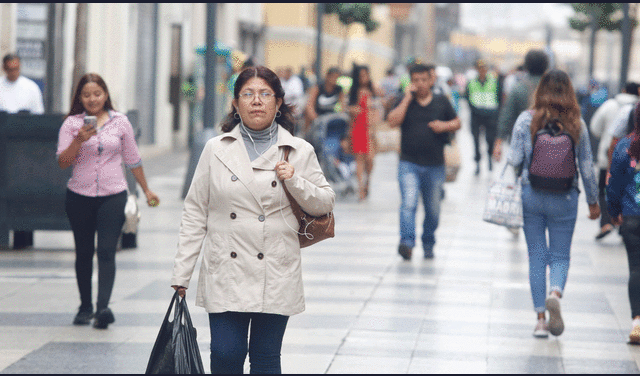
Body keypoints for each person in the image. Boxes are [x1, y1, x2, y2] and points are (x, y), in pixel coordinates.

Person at [171, 66, 335, 374]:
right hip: (226, 267)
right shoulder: (216, 149)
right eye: (247, 94)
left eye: (264, 94)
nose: (256, 101)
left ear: (278, 103)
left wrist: (295, 180)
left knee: (265, 357)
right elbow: (195, 212)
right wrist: (182, 274)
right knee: (225, 354)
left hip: (274, 267)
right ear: (235, 103)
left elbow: (325, 203)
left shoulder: (298, 150)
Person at [56, 73, 160, 329]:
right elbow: (62, 162)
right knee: (83, 253)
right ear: (79, 97)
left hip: (113, 195)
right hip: (79, 196)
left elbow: (133, 159)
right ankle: (84, 307)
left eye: (97, 94)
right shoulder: (71, 124)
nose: (92, 99)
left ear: (105, 95)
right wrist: (79, 140)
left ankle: (103, 308)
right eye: (86, 95)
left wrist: (146, 190)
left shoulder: (121, 122)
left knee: (106, 250)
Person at [506, 69, 599, 339]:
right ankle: (555, 292)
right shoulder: (576, 123)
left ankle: (540, 321)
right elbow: (587, 168)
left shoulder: (527, 119)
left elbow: (514, 159)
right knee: (560, 255)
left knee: (536, 256)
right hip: (565, 197)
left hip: (531, 194)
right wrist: (593, 202)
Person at [387, 63, 461, 260]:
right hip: (408, 163)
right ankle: (407, 243)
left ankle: (428, 241)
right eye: (415, 80)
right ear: (411, 82)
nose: (419, 84)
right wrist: (406, 98)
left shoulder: (441, 101)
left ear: (431, 80)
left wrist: (443, 126)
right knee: (408, 203)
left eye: (423, 80)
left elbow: (457, 122)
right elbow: (392, 121)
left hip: (435, 165)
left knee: (433, 210)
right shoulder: (405, 101)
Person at [1, 53, 46, 249]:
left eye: (16, 69)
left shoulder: (30, 88)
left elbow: (39, 117)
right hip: (3, 149)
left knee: (23, 189)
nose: (13, 72)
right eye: (9, 69)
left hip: (24, 151)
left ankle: (23, 236)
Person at [606, 103, 640, 344]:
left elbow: (613, 183)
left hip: (632, 217)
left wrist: (613, 210)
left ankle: (637, 322)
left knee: (636, 269)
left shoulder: (625, 146)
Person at [590, 82, 640, 240]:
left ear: (623, 89)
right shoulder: (635, 107)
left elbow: (596, 128)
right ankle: (624, 224)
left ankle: (608, 221)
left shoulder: (611, 105)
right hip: (633, 162)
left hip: (614, 157)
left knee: (606, 188)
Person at [493, 49, 549, 161]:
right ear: (546, 66)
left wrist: (498, 142)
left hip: (523, 144)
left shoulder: (518, 88)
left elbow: (506, 116)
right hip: (551, 143)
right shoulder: (554, 88)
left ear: (526, 66)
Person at [348, 64, 382, 201]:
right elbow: (347, 108)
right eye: (361, 75)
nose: (364, 78)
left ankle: (367, 181)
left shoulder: (373, 90)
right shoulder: (353, 91)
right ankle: (361, 188)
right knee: (360, 159)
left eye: (366, 75)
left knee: (370, 159)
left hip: (371, 129)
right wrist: (354, 110)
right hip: (357, 127)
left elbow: (381, 104)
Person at [465, 59, 500, 175]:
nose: (482, 70)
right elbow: (467, 97)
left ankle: (490, 157)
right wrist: (474, 109)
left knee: (490, 139)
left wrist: (496, 113)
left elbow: (499, 97)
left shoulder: (494, 81)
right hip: (476, 115)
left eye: (484, 68)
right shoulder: (471, 82)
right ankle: (478, 163)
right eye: (480, 68)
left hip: (490, 115)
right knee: (476, 140)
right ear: (476, 69)